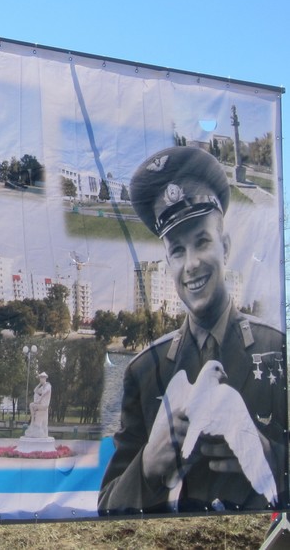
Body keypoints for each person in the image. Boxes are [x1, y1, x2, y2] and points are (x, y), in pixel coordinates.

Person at [99, 146, 287, 514]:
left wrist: (269, 455)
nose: (192, 264)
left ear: (225, 247)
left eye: (202, 241)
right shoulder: (145, 370)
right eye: (177, 250)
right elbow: (107, 509)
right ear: (168, 262)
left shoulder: (278, 350)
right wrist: (148, 466)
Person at [25, 372, 52, 438]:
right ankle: (33, 421)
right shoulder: (42, 386)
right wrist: (40, 384)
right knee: (32, 405)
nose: (40, 379)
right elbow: (35, 390)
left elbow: (43, 394)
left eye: (41, 378)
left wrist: (38, 401)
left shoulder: (48, 385)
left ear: (45, 378)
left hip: (44, 405)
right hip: (41, 405)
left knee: (32, 405)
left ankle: (32, 421)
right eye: (40, 378)